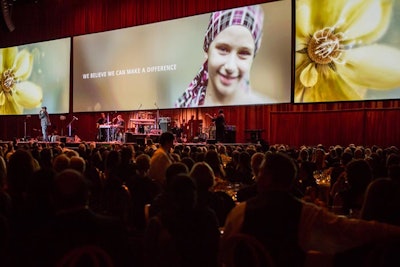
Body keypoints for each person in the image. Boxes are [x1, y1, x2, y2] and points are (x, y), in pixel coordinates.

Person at [221, 152, 400, 267]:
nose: (256, 178)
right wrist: (392, 230)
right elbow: (348, 230)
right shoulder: (305, 212)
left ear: (267, 177)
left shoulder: (238, 213)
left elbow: (226, 253)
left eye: (259, 173)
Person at [175, 5, 269, 108]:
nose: (230, 66)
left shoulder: (264, 111)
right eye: (223, 49)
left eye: (244, 53)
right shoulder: (184, 108)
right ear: (207, 49)